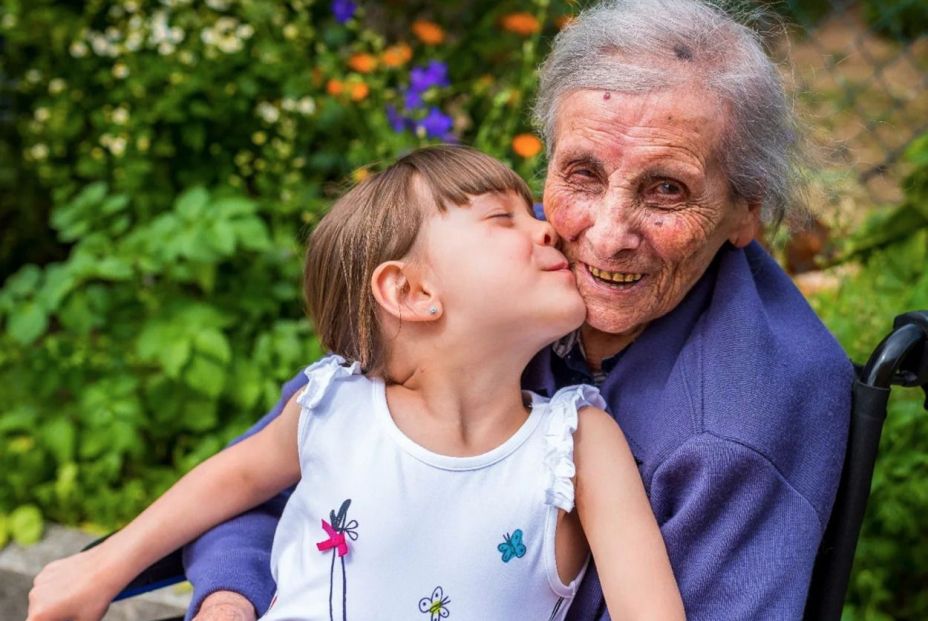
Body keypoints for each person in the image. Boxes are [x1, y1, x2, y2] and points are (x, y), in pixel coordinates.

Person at [182, 1, 853, 620]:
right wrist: (229, 597)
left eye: (667, 190)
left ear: (747, 211)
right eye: (582, 174)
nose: (606, 233)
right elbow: (277, 472)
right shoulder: (509, 271)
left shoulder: (745, 422)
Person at [27, 146, 685, 621]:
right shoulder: (335, 404)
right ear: (410, 291)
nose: (547, 225)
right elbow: (227, 481)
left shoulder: (575, 445)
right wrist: (99, 567)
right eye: (501, 219)